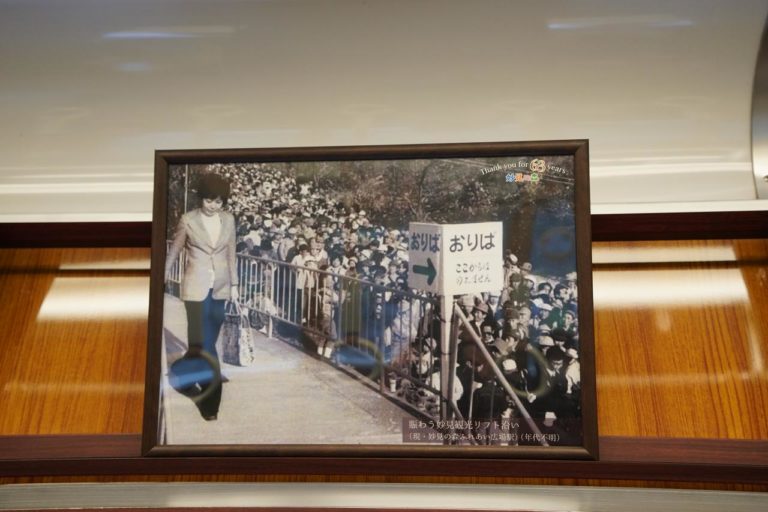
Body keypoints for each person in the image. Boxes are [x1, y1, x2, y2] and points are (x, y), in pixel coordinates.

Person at [165, 173, 239, 421]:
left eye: (218, 201)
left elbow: (231, 254)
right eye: (209, 200)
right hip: (195, 290)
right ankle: (211, 403)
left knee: (202, 344)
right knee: (207, 347)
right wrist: (161, 277)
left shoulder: (229, 220)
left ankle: (182, 372)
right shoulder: (188, 220)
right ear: (201, 198)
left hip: (220, 289)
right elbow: (174, 251)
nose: (213, 205)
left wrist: (235, 285)